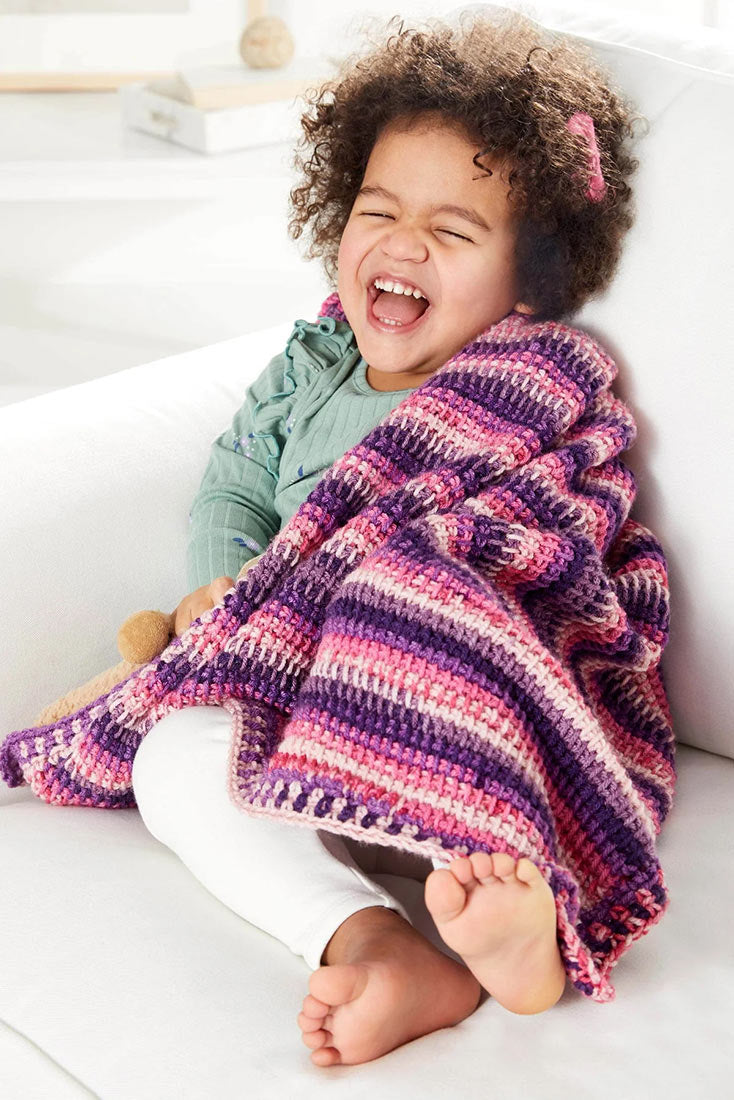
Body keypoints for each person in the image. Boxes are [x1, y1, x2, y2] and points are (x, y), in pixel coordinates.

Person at [130, 8, 642, 1068]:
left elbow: (548, 536)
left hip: (442, 725)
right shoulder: (310, 363)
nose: (403, 245)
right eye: (378, 210)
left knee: (409, 599)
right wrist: (222, 589)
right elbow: (233, 482)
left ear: (529, 281)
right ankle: (376, 939)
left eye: (453, 231)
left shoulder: (522, 383)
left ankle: (515, 912)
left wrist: (401, 587)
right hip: (302, 731)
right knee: (169, 757)